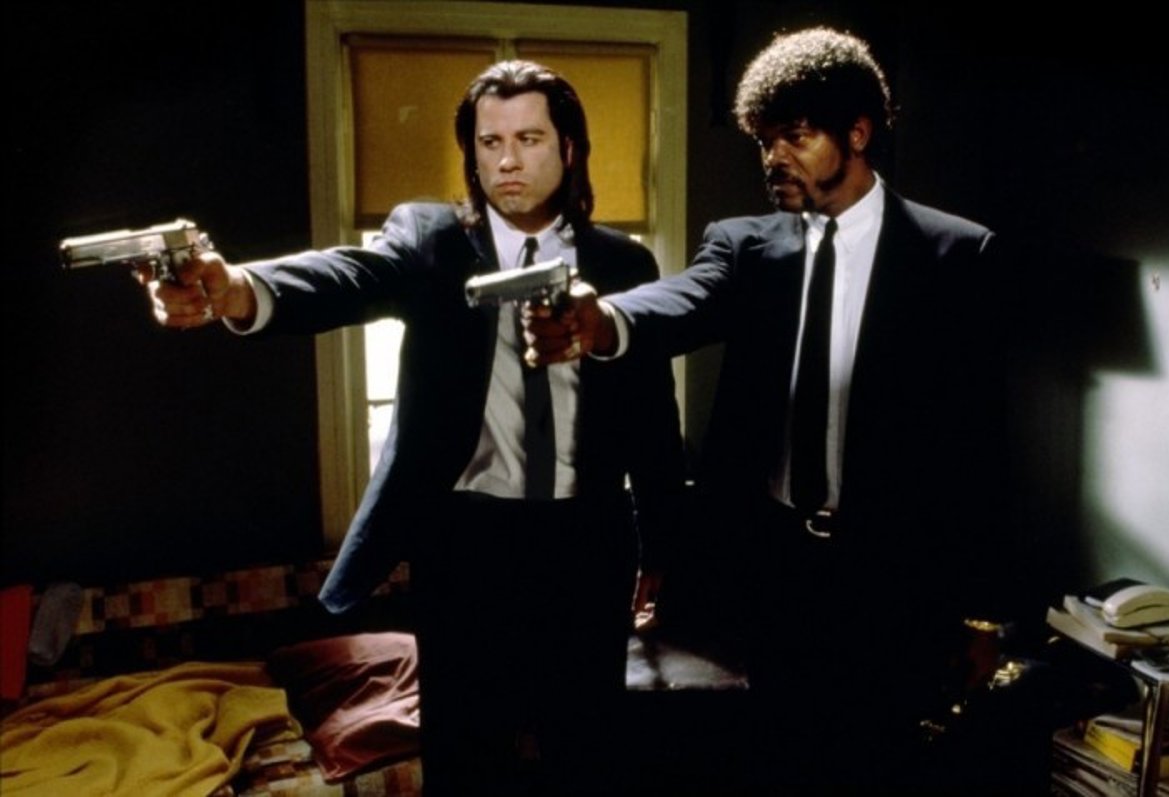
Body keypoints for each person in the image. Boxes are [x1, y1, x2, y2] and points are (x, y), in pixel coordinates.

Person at [143, 60, 683, 796]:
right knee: (466, 758)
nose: (507, 160)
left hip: (586, 542)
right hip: (469, 543)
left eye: (528, 139)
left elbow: (652, 415)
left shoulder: (625, 262)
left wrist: (662, 542)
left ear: (569, 148)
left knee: (587, 753)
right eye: (490, 142)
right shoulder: (430, 239)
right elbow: (346, 276)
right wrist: (235, 288)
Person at [526, 27, 1011, 793]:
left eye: (796, 136)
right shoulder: (744, 246)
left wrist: (982, 614)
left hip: (892, 574)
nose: (773, 157)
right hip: (775, 566)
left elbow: (978, 447)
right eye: (764, 139)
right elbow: (680, 301)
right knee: (777, 760)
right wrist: (603, 319)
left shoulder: (955, 254)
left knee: (883, 763)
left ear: (858, 133)